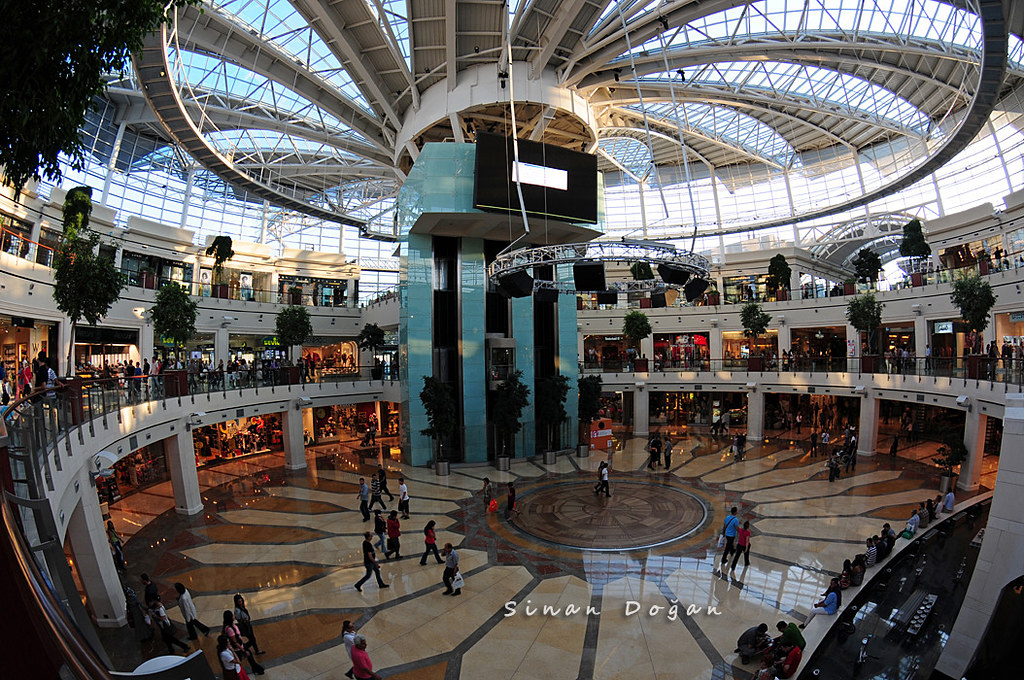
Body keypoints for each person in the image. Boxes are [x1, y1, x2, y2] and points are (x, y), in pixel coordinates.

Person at [223, 610, 264, 675]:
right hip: (238, 648)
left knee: (250, 657)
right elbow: (235, 642)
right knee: (242, 659)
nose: (234, 616)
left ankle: (256, 669)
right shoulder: (229, 629)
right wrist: (243, 650)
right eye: (232, 615)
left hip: (241, 645)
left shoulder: (232, 625)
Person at [717, 506, 740, 572]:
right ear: (735, 512)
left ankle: (732, 551)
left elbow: (724, 526)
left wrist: (724, 533)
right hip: (731, 535)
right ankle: (724, 559)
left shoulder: (727, 517)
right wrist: (740, 532)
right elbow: (737, 528)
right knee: (728, 546)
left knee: (730, 543)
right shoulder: (735, 520)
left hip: (727, 534)